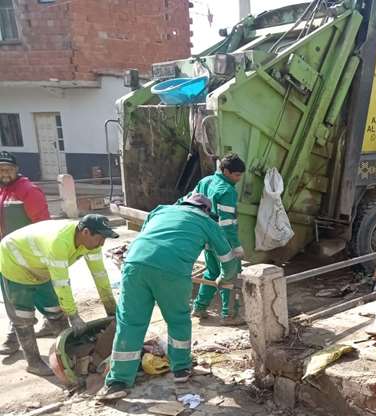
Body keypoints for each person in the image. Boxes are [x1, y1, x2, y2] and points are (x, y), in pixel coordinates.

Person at [99, 193, 238, 401]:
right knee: (178, 320)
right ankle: (181, 370)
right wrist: (225, 278)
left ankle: (117, 382)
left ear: (184, 203)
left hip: (134, 266)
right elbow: (227, 258)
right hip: (172, 272)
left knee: (129, 323)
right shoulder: (206, 222)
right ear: (205, 210)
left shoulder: (161, 210)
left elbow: (150, 236)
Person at [0, 215, 119, 375]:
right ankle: (33, 362)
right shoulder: (59, 243)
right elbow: (62, 284)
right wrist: (74, 316)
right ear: (85, 232)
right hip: (14, 262)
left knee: (55, 309)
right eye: (100, 237)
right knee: (23, 317)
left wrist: (112, 311)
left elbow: (100, 275)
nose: (102, 243)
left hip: (41, 267)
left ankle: (68, 353)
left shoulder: (92, 244)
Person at [0, 151, 58, 355]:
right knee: (13, 300)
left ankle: (57, 329)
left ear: (17, 170)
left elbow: (42, 226)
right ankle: (15, 335)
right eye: (1, 169)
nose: (5, 173)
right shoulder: (2, 191)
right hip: (7, 257)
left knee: (47, 295)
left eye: (9, 169)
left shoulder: (28, 191)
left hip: (29, 256)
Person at [188, 154, 246, 325]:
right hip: (221, 241)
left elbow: (190, 202)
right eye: (236, 175)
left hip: (205, 237)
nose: (238, 179)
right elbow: (227, 224)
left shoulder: (205, 181)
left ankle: (199, 308)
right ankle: (229, 315)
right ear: (226, 171)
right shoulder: (227, 191)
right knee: (229, 275)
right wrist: (236, 246)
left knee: (211, 272)